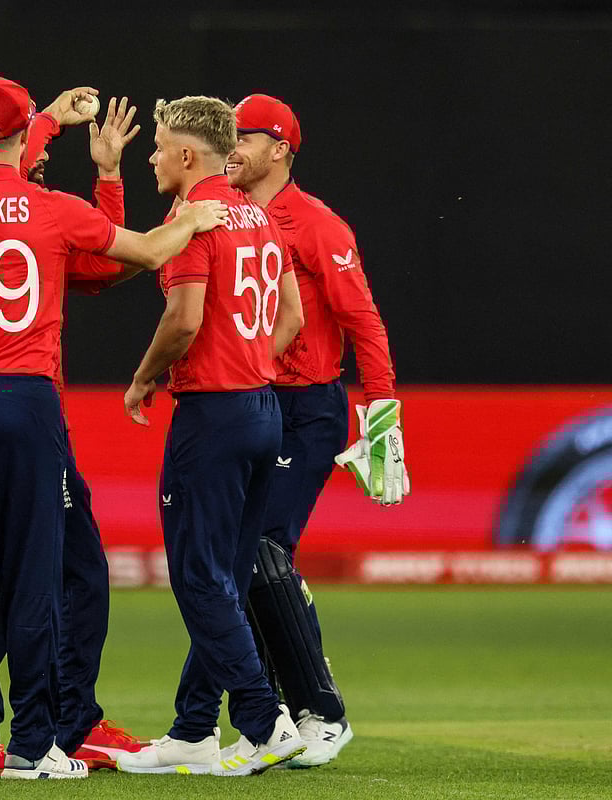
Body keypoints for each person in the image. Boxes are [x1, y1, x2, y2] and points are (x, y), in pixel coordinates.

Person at [0, 76, 228, 781]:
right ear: (21, 140)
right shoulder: (51, 211)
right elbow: (141, 255)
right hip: (25, 402)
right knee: (38, 575)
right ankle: (32, 743)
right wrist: (190, 221)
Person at [0, 89, 149, 774]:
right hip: (21, 412)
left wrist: (105, 175)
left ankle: (40, 719)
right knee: (37, 572)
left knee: (32, 570)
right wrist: (56, 129)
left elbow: (101, 265)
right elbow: (124, 259)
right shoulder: (10, 208)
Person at [115, 94, 306, 777]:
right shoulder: (259, 213)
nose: (153, 156)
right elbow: (290, 315)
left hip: (215, 417)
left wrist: (142, 379)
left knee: (198, 578)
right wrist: (253, 361)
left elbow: (185, 317)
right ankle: (195, 728)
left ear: (188, 155)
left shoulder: (194, 221)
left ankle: (262, 720)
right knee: (222, 577)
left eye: (160, 146)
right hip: (261, 410)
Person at [228, 93, 406, 767]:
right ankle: (268, 718)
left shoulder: (318, 225)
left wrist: (382, 417)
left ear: (280, 149)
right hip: (250, 405)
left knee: (264, 551)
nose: (234, 147)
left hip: (307, 409)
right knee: (241, 562)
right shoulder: (234, 216)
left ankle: (323, 713)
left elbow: (364, 322)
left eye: (245, 137)